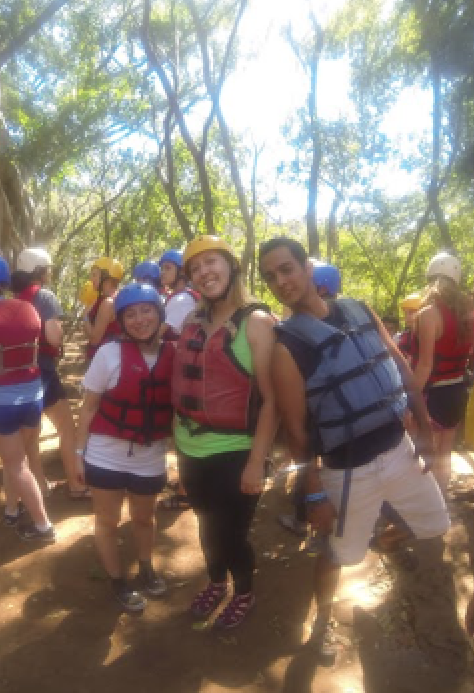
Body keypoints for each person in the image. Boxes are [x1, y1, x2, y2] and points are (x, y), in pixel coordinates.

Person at [259, 237, 449, 663]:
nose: (281, 281)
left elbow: (401, 367)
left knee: (436, 524)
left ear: (307, 267)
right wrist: (312, 495)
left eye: (287, 268)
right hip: (347, 472)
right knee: (336, 554)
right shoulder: (286, 346)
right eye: (270, 276)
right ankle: (320, 625)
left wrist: (425, 436)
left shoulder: (360, 311)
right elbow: (297, 433)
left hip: (400, 451)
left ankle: (382, 537)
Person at [172, 235, 276, 628]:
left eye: (211, 262)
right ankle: (216, 581)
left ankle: (244, 591)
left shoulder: (257, 323)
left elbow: (271, 401)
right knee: (204, 523)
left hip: (235, 451)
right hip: (189, 448)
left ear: (231, 266)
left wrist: (256, 463)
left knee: (231, 536)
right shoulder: (192, 321)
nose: (204, 272)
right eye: (196, 268)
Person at [75, 283, 174, 612]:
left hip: (150, 456)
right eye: (130, 314)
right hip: (106, 454)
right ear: (121, 321)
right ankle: (118, 580)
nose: (139, 319)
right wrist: (78, 454)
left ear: (159, 313)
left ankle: (146, 566)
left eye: (146, 310)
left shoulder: (174, 353)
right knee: (107, 521)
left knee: (145, 519)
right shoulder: (110, 353)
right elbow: (89, 407)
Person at [12, 247, 88, 499]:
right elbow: (54, 338)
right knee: (67, 427)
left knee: (31, 437)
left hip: (20, 374)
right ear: (40, 271)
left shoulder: (16, 298)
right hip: (43, 369)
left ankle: (40, 488)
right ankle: (77, 486)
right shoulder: (44, 297)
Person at [278, 260, 341, 538]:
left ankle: (302, 517)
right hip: (337, 415)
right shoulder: (341, 317)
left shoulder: (298, 328)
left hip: (313, 413)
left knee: (306, 462)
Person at [0, 256, 56, 541]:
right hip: (32, 395)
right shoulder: (26, 308)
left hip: (5, 402)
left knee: (16, 464)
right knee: (15, 458)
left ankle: (43, 526)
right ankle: (11, 510)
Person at [412, 252, 474, 496]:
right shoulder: (467, 314)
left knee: (423, 451)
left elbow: (425, 366)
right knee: (445, 451)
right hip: (457, 391)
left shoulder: (429, 314)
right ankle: (440, 503)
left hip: (433, 393)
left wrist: (408, 398)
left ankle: (424, 503)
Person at [84, 257, 124, 360]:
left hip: (105, 361)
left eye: (94, 275)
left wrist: (85, 317)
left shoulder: (108, 303)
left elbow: (94, 340)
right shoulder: (113, 298)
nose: (91, 279)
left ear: (106, 276)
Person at [158, 249, 199, 340]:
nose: (162, 272)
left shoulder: (182, 299)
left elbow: (157, 335)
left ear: (182, 271)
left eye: (168, 268)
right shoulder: (180, 295)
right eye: (162, 268)